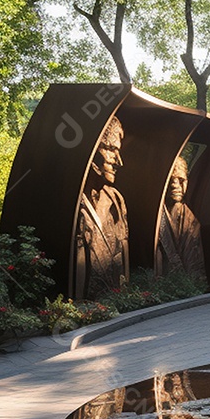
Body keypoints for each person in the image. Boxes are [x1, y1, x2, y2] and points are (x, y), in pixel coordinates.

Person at [75, 116, 129, 299]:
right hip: (88, 298)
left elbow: (123, 248)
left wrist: (125, 295)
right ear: (92, 147)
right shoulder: (75, 199)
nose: (118, 161)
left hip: (111, 296)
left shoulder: (116, 200)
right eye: (112, 149)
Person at [156, 156, 205, 279]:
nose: (175, 185)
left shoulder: (191, 220)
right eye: (171, 179)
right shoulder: (156, 215)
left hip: (186, 281)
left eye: (181, 180)